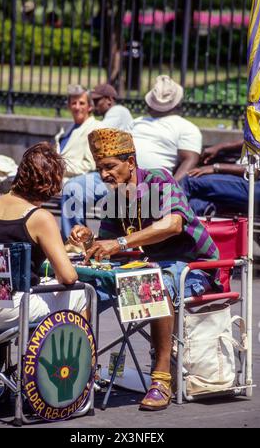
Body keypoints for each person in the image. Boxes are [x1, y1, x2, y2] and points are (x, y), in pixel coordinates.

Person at [69, 128, 222, 411]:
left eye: (110, 167)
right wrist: (88, 240)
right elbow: (109, 246)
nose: (104, 175)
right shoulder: (115, 196)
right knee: (83, 291)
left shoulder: (159, 179)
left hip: (193, 267)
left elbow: (173, 224)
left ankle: (161, 378)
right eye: (100, 168)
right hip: (149, 268)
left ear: (131, 161)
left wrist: (119, 242)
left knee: (154, 283)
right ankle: (83, 371)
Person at [0, 142, 89, 330]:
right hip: (12, 308)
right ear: (51, 184)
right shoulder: (39, 217)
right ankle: (77, 359)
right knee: (83, 293)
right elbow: (68, 276)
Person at [127, 75, 202, 182]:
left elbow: (190, 160)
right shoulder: (136, 122)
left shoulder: (187, 128)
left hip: (152, 186)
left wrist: (171, 188)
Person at [56, 84, 105, 241]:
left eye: (81, 103)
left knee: (72, 189)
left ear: (90, 106)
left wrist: (59, 169)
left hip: (79, 179)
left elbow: (90, 165)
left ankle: (75, 241)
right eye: (73, 103)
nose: (77, 107)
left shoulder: (95, 128)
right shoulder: (68, 130)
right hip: (58, 178)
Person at [181, 139, 260, 216]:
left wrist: (215, 167)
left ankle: (170, 219)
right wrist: (221, 147)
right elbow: (250, 140)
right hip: (255, 185)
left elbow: (253, 171)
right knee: (197, 202)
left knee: (191, 180)